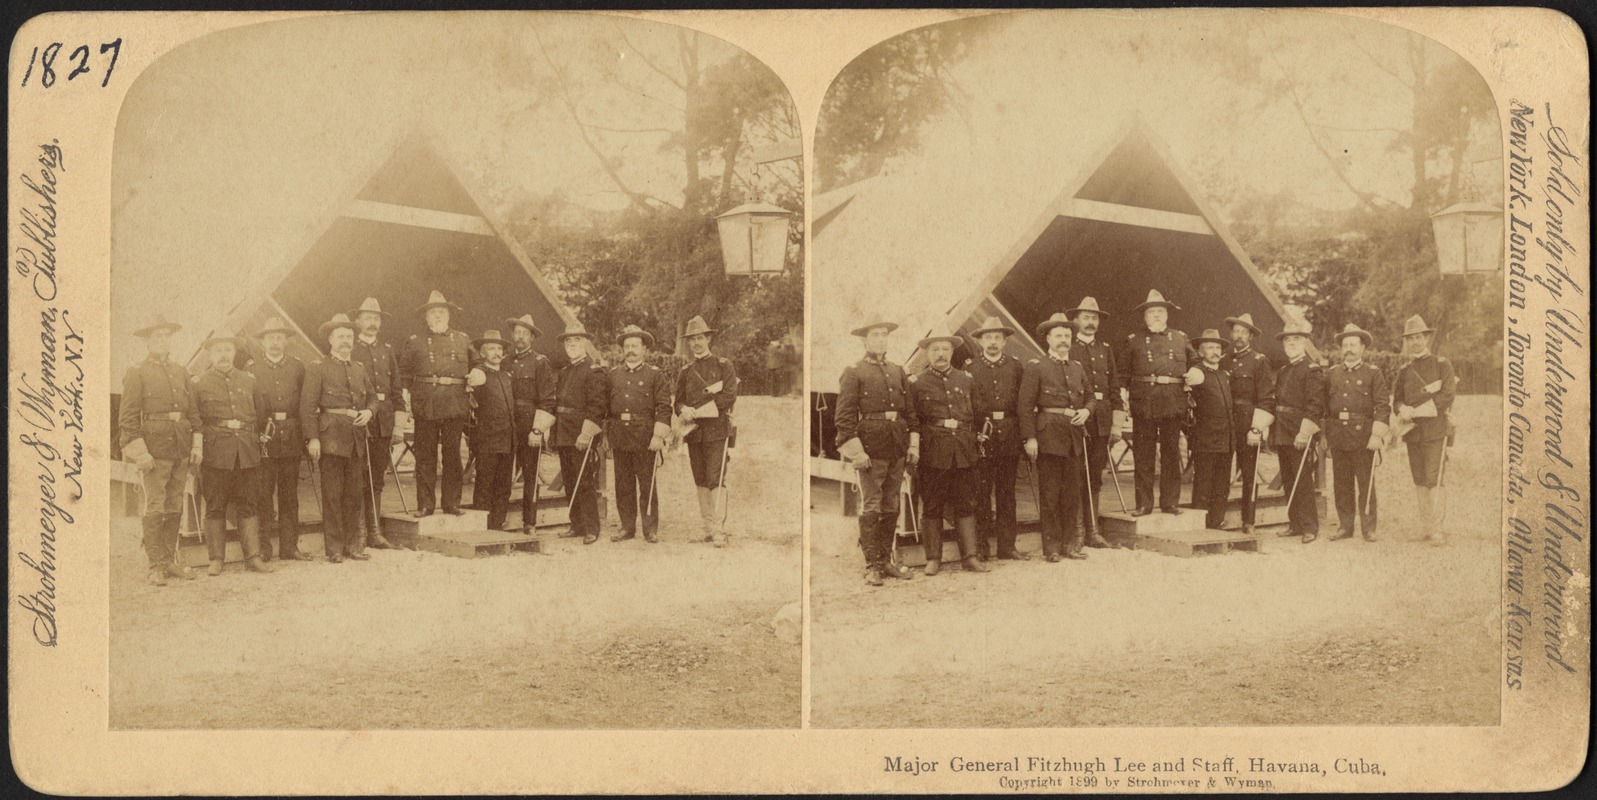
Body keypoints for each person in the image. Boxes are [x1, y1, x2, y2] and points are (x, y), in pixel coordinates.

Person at [834, 317, 918, 586]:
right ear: (864, 340)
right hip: (870, 448)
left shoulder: (897, 370)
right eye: (875, 335)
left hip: (897, 445)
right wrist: (856, 452)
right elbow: (844, 418)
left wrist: (912, 444)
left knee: (892, 503)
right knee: (871, 504)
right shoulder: (854, 371)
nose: (881, 339)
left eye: (884, 334)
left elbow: (910, 413)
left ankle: (885, 560)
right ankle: (871, 565)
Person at [119, 314, 202, 586]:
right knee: (155, 504)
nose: (163, 340)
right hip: (154, 452)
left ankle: (169, 560)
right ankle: (155, 565)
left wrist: (196, 444)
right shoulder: (136, 372)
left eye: (167, 335)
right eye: (157, 336)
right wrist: (140, 454)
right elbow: (128, 419)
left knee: (175, 502)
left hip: (180, 446)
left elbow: (193, 414)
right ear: (147, 342)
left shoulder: (181, 371)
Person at [907, 330, 989, 575]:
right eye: (935, 350)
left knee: (966, 503)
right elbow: (913, 420)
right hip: (933, 452)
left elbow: (979, 412)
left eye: (945, 349)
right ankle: (933, 559)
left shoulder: (967, 380)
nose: (940, 354)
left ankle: (970, 557)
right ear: (927, 353)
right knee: (932, 505)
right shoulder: (917, 383)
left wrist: (977, 438)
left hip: (964, 451)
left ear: (952, 352)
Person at [302, 313, 379, 563]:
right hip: (331, 438)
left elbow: (373, 398)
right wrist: (313, 438)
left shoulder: (359, 368)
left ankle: (352, 546)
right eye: (341, 336)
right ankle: (334, 548)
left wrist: (368, 412)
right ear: (331, 340)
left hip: (356, 439)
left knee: (354, 493)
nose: (346, 341)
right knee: (333, 495)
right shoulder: (318, 368)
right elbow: (307, 406)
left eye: (349, 336)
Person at [194, 335, 272, 576]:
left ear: (234, 353)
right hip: (216, 452)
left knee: (249, 503)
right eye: (218, 350)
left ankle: (253, 557)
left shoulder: (249, 380)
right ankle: (216, 559)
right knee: (215, 506)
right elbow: (195, 419)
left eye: (227, 350)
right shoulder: (199, 383)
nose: (223, 354)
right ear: (210, 355)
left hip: (246, 452)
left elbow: (260, 414)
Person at [1020, 313, 1095, 562]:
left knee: (1071, 493)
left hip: (1074, 437)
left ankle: (1070, 545)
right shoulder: (1036, 367)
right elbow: (1025, 406)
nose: (1063, 340)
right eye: (1058, 336)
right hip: (1048, 437)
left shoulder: (1077, 368)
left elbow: (1091, 398)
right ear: (1048, 339)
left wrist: (1086, 411)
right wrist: (1030, 438)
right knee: (1050, 494)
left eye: (1067, 336)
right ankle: (1051, 547)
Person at [1117, 290, 1193, 516]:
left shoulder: (1181, 338)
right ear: (1145, 316)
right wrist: (1122, 394)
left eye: (1160, 311)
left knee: (1171, 454)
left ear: (1167, 315)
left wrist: (1196, 372)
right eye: (1152, 312)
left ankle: (1170, 503)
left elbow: (1196, 362)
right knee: (1143, 455)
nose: (1156, 316)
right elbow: (1123, 373)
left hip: (1173, 402)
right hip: (1144, 403)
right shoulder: (1134, 340)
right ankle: (1144, 504)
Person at [399, 290, 472, 517]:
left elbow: (478, 363)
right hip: (426, 405)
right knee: (425, 456)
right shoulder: (415, 343)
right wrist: (404, 397)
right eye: (433, 313)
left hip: (454, 405)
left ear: (449, 315)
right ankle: (425, 505)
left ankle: (451, 504)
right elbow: (403, 374)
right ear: (426, 317)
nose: (438, 317)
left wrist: (478, 372)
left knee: (452, 455)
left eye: (441, 312)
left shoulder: (463, 340)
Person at [965, 316, 1027, 560]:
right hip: (983, 435)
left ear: (1004, 341)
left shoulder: (1015, 366)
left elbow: (1023, 403)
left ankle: (1007, 546)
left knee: (1007, 493)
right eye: (988, 337)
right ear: (980, 341)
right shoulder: (969, 368)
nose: (992, 342)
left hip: (1009, 435)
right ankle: (981, 547)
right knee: (981, 493)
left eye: (997, 338)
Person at [675, 315, 739, 547]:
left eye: (700, 338)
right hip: (694, 434)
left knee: (715, 478)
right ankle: (708, 526)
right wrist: (683, 410)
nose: (696, 344)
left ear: (709, 339)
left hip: (716, 432)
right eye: (692, 340)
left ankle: (719, 528)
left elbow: (729, 395)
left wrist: (700, 410)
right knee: (700, 479)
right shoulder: (685, 371)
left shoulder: (724, 365)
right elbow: (678, 402)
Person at [1392, 315, 1455, 544]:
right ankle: (1427, 527)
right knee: (1419, 478)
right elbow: (1396, 400)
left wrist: (1417, 410)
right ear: (1407, 342)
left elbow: (1448, 395)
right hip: (1413, 433)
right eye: (1411, 339)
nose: (1415, 343)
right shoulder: (1405, 370)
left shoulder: (1441, 364)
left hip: (1435, 432)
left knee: (1433, 478)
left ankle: (1437, 529)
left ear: (1426, 338)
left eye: (1419, 337)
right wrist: (1402, 410)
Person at [249, 317, 309, 561]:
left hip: (291, 437)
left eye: (280, 337)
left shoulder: (297, 367)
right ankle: (264, 548)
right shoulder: (252, 370)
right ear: (263, 341)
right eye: (270, 337)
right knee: (263, 494)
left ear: (286, 341)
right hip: (265, 437)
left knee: (289, 495)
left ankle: (289, 547)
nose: (275, 342)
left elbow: (306, 404)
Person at [1324, 323, 1390, 542]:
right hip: (1338, 437)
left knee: (1365, 484)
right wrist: (1325, 436)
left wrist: (1377, 435)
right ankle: (1345, 526)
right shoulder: (1332, 373)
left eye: (1353, 344)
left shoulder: (1373, 374)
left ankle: (1368, 528)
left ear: (1362, 348)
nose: (1349, 349)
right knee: (1341, 484)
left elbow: (1382, 406)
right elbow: (1324, 406)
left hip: (1364, 438)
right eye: (1345, 345)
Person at [606, 324, 672, 542]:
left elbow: (664, 407)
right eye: (627, 346)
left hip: (645, 437)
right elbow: (606, 407)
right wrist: (607, 436)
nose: (631, 350)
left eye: (635, 345)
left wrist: (658, 436)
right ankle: (627, 527)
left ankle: (650, 528)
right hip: (620, 436)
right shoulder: (613, 375)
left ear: (644, 349)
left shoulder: (655, 375)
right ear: (622, 350)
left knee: (647, 484)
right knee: (623, 484)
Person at [1067, 297, 1123, 546]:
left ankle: (1093, 531)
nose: (1090, 322)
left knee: (1095, 477)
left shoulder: (1105, 349)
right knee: (1077, 475)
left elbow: (1114, 389)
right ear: (1076, 320)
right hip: (1078, 421)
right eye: (1086, 317)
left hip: (1101, 421)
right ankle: (1077, 532)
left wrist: (1117, 424)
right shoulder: (1068, 348)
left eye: (1094, 318)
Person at [350, 297, 401, 548]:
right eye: (367, 318)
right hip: (360, 421)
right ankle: (359, 533)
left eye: (376, 319)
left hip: (384, 421)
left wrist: (399, 422)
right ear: (357, 321)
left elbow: (396, 389)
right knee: (359, 476)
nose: (372, 323)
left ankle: (375, 531)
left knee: (377, 477)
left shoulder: (387, 350)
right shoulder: (351, 349)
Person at [1271, 318, 1327, 543]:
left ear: (1304, 342)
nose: (1291, 343)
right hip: (1282, 431)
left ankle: (1310, 526)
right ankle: (1294, 524)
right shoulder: (1284, 371)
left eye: (1296, 339)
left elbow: (1315, 406)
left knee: (1302, 480)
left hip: (1299, 431)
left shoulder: (1311, 369)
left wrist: (1304, 434)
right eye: (1287, 340)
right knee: (1288, 478)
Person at [552, 323, 608, 544]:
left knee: (584, 481)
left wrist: (585, 435)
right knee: (570, 479)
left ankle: (592, 528)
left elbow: (597, 408)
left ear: (585, 343)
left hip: (581, 434)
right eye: (568, 341)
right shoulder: (565, 372)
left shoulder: (593, 370)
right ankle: (576, 525)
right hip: (564, 433)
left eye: (576, 341)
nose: (572, 345)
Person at [1219, 312, 1275, 534]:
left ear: (1251, 336)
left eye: (1244, 332)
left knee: (1249, 473)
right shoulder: (1222, 359)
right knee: (1222, 472)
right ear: (1231, 334)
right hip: (1225, 422)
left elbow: (1266, 399)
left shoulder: (1259, 361)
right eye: (1236, 331)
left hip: (1247, 423)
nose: (1239, 336)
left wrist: (1256, 428)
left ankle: (1248, 521)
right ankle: (1217, 518)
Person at [505, 314, 557, 534]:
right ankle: (497, 520)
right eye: (517, 332)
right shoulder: (504, 361)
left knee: (530, 473)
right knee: (503, 471)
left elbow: (547, 400)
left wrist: (537, 430)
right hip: (506, 422)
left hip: (529, 424)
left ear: (532, 337)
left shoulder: (540, 362)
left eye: (525, 333)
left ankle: (530, 522)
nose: (520, 337)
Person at [467, 329, 520, 531]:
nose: (497, 352)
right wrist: (477, 371)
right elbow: (472, 387)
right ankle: (482, 528)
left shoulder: (507, 376)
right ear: (482, 353)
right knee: (484, 485)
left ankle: (498, 526)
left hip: (508, 441)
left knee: (503, 486)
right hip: (487, 441)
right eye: (491, 348)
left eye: (499, 348)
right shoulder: (479, 376)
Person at [1186, 329, 1234, 531]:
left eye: (1217, 347)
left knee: (1222, 485)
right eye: (1209, 347)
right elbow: (1189, 389)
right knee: (1203, 484)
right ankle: (1199, 527)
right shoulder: (1197, 373)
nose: (1215, 352)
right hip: (1205, 440)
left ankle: (1216, 523)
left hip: (1226, 440)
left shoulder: (1223, 374)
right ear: (1200, 351)